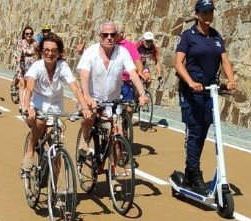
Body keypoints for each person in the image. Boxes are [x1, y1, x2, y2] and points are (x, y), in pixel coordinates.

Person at [174, 0, 237, 190]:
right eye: (204, 12)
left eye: (210, 12)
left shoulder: (217, 37)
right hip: (192, 89)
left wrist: (231, 79)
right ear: (197, 14)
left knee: (204, 130)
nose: (208, 16)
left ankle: (189, 172)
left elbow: (224, 61)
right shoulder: (188, 36)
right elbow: (178, 64)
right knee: (194, 131)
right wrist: (191, 82)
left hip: (210, 89)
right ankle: (194, 173)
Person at [19, 33, 89, 172]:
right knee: (40, 123)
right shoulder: (37, 66)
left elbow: (75, 87)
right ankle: (31, 150)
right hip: (37, 105)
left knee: (56, 146)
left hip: (55, 108)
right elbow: (29, 89)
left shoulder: (62, 66)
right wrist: (28, 107)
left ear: (59, 52)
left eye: (53, 51)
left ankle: (55, 189)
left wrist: (84, 106)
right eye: (46, 50)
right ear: (41, 51)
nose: (49, 53)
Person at [76, 20, 148, 151]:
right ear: (100, 35)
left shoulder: (123, 52)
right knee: (89, 115)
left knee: (117, 135)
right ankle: (85, 138)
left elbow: (133, 73)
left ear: (116, 36)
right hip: (92, 98)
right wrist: (86, 96)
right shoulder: (90, 52)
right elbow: (84, 75)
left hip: (112, 102)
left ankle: (114, 165)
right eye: (105, 34)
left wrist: (142, 94)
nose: (109, 38)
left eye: (112, 34)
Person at [10, 26, 38, 103]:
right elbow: (18, 53)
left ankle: (27, 99)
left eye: (31, 33)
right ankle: (22, 105)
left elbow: (38, 53)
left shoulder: (35, 43)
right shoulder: (21, 42)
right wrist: (18, 60)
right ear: (24, 34)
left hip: (31, 65)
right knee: (22, 84)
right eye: (27, 34)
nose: (29, 35)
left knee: (30, 84)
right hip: (22, 63)